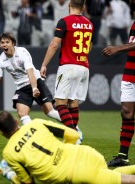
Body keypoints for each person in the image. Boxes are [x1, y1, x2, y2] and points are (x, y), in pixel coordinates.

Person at [0, 111, 135, 184]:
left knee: (128, 181)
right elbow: (73, 134)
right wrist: (63, 151)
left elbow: (27, 182)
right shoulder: (36, 123)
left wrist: (10, 175)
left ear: (2, 133)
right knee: (110, 174)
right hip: (86, 153)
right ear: (16, 121)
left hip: (78, 174)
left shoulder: (9, 153)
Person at [0, 32, 61, 126]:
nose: (4, 44)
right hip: (22, 87)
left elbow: (30, 72)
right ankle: (33, 134)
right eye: (2, 42)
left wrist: (34, 88)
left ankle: (74, 127)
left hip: (35, 81)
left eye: (7, 42)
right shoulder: (0, 61)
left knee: (49, 111)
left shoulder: (22, 52)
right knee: (22, 113)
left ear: (13, 43)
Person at [40, 0, 93, 132]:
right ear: (83, 7)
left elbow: (54, 44)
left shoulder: (64, 21)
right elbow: (89, 47)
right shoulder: (89, 24)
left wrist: (44, 65)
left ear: (69, 5)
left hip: (68, 66)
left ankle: (73, 133)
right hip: (84, 66)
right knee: (73, 101)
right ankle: (74, 138)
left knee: (60, 103)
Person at [101, 0, 135, 167]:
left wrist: (118, 48)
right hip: (130, 73)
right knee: (126, 113)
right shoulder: (134, 22)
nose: (131, 1)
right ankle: (123, 156)